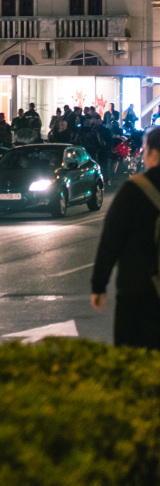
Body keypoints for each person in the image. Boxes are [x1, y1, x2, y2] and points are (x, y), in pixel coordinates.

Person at [92, 127, 160, 349]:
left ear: (151, 152)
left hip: (138, 288)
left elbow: (112, 237)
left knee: (132, 353)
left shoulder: (134, 190)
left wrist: (99, 284)